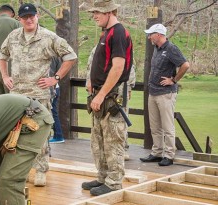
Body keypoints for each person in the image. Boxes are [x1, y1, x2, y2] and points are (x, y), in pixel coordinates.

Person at [0, 3, 77, 186]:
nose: (29, 19)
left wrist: (55, 78)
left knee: (40, 135)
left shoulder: (48, 37)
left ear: (37, 16)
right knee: (15, 134)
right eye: (25, 17)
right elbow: (1, 55)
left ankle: (41, 170)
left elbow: (70, 56)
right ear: (19, 19)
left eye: (32, 16)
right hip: (16, 96)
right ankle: (20, 171)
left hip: (39, 95)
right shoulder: (13, 36)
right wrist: (5, 76)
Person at [82, 0, 133, 196]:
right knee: (99, 139)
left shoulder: (118, 32)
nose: (94, 15)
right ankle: (103, 177)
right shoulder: (107, 33)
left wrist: (102, 94)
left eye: (98, 12)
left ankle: (113, 182)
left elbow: (118, 67)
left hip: (111, 96)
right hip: (100, 94)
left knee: (113, 140)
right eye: (93, 11)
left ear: (111, 12)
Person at [139, 24, 190, 166]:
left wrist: (173, 80)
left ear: (159, 35)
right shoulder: (156, 49)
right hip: (153, 92)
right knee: (155, 126)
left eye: (151, 34)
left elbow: (185, 65)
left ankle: (169, 155)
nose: (149, 37)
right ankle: (157, 152)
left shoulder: (171, 49)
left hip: (166, 94)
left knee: (167, 126)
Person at [86, 46, 136, 160]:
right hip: (98, 91)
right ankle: (103, 151)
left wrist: (129, 88)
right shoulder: (96, 49)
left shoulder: (122, 49)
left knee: (119, 123)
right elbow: (90, 69)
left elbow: (130, 69)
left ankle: (123, 149)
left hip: (119, 92)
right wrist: (90, 88)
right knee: (99, 123)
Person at [49, 57, 65, 143]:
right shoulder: (56, 57)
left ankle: (58, 136)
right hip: (55, 87)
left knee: (52, 112)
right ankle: (58, 135)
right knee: (53, 112)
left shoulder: (53, 57)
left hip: (52, 89)